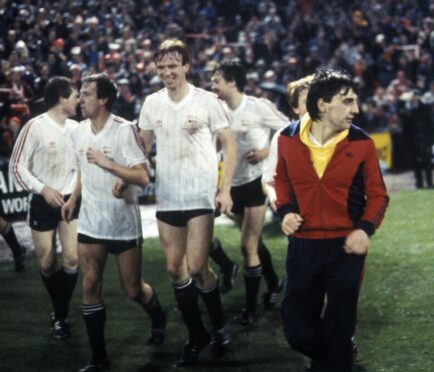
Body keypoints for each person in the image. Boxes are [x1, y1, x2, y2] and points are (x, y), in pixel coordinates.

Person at [275, 69, 389, 371]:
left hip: (345, 249)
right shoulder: (286, 138)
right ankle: (336, 358)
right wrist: (285, 211)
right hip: (303, 247)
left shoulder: (362, 143)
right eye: (347, 101)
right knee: (298, 333)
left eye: (355, 101)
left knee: (339, 330)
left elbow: (378, 196)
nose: (356, 109)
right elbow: (281, 183)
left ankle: (338, 358)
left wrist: (365, 230)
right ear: (322, 105)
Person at [139, 39, 236, 367]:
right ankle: (197, 334)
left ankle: (220, 325)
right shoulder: (151, 104)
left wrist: (225, 189)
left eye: (172, 66)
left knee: (196, 267)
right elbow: (142, 146)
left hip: (199, 194)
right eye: (161, 67)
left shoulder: (207, 101)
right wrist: (126, 173)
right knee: (174, 269)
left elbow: (229, 144)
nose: (167, 72)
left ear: (186, 66)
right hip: (167, 196)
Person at [63, 73, 167, 371]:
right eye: (80, 94)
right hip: (91, 223)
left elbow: (143, 176)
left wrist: (108, 163)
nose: (80, 100)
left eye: (86, 94)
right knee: (90, 285)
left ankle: (158, 316)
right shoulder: (78, 132)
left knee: (132, 289)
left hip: (122, 222)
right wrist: (73, 198)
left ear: (104, 99)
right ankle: (99, 358)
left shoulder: (124, 131)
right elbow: (82, 169)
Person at [210, 58, 288, 325]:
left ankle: (251, 310)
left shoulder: (258, 107)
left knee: (246, 245)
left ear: (233, 82)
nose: (212, 85)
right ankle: (275, 283)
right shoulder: (217, 111)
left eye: (216, 80)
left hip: (257, 182)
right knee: (254, 243)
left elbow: (288, 129)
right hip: (233, 185)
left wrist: (267, 152)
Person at [9, 76, 80, 339]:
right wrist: (43, 189)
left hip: (70, 201)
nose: (79, 99)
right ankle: (59, 310)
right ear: (62, 98)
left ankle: (60, 315)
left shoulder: (76, 128)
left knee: (72, 258)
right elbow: (16, 166)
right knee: (48, 263)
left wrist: (73, 192)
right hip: (42, 201)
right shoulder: (34, 127)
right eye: (75, 95)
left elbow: (84, 165)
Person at [262, 74, 313, 210]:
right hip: (300, 215)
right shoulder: (283, 137)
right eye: (307, 101)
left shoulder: (341, 134)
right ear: (296, 108)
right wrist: (275, 198)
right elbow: (268, 180)